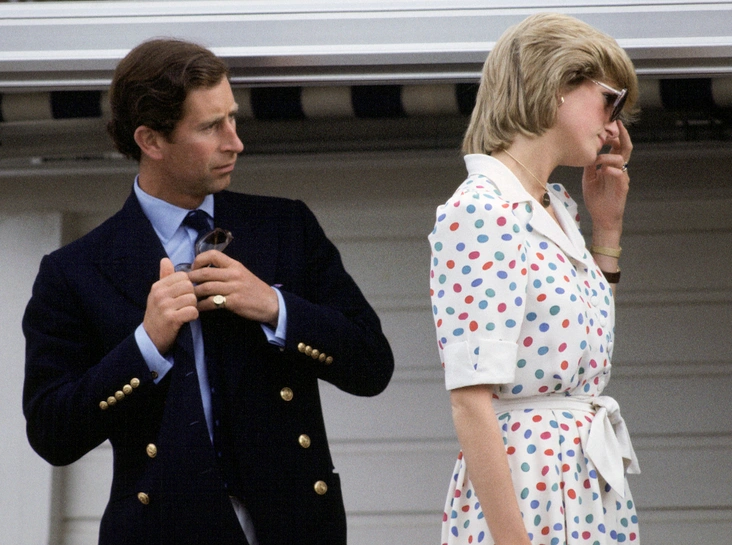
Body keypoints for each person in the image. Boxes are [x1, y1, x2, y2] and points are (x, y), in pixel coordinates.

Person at [22, 38, 394, 545]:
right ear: (151, 141)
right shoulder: (75, 270)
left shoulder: (286, 227)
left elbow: (373, 366)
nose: (235, 142)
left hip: (294, 526)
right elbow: (51, 434)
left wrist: (276, 308)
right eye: (210, 127)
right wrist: (144, 346)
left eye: (232, 118)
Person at [429, 13, 641, 545]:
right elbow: (470, 401)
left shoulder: (556, 206)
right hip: (527, 487)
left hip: (581, 483)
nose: (615, 125)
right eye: (610, 100)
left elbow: (587, 358)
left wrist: (606, 229)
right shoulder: (482, 210)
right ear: (557, 84)